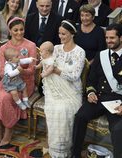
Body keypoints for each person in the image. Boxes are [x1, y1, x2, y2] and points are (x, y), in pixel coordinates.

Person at [71, 23, 122, 158]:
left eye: (112, 38)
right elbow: (91, 79)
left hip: (118, 102)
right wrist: (91, 92)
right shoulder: (101, 55)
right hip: (99, 97)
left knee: (118, 130)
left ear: (121, 38)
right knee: (80, 117)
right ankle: (74, 154)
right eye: (107, 38)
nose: (109, 41)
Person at [0, 16, 37, 147]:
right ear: (9, 31)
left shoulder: (31, 45)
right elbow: (2, 72)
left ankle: (9, 129)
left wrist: (20, 70)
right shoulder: (4, 48)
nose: (19, 33)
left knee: (5, 98)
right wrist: (13, 72)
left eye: (21, 29)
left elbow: (32, 71)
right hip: (7, 81)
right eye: (15, 30)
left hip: (24, 83)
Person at [44, 20, 85, 158]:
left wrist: (56, 70)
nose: (61, 37)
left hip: (72, 91)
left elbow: (74, 76)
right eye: (59, 33)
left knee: (64, 109)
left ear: (72, 34)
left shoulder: (80, 52)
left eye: (64, 34)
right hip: (55, 88)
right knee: (53, 108)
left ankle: (65, 148)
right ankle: (55, 147)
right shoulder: (55, 48)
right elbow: (46, 63)